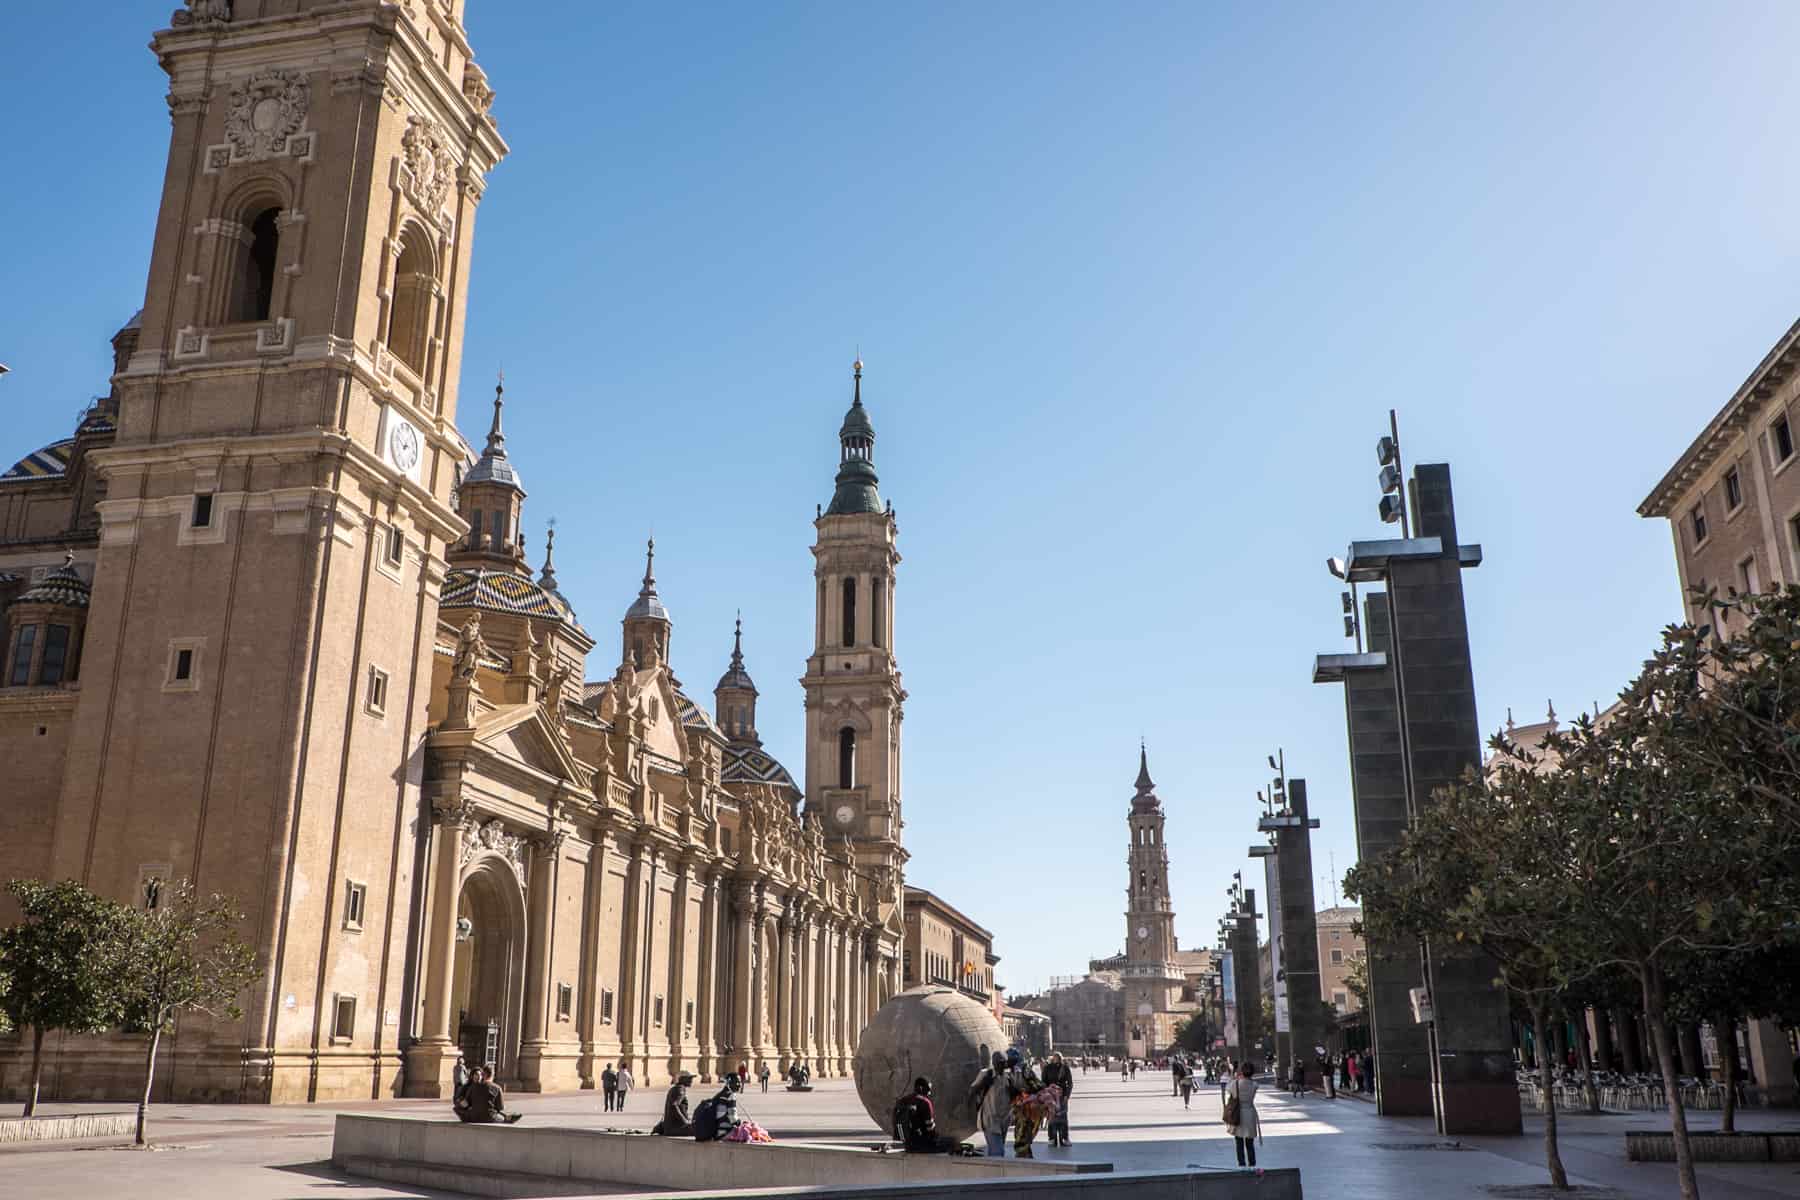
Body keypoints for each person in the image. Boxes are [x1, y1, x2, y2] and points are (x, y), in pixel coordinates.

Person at [892, 1076, 958, 1153]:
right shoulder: (925, 1102)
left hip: (907, 1145)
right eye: (928, 1090)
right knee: (951, 1143)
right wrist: (936, 1138)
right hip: (922, 1144)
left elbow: (895, 1121)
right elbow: (930, 1128)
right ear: (921, 1088)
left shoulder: (903, 1100)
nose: (929, 1093)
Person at [969, 1051, 1012, 1157]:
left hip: (1004, 1120)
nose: (1001, 1066)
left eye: (1003, 1063)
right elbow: (972, 1090)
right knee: (997, 1152)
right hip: (990, 1120)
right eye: (998, 1063)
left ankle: (992, 1172)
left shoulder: (1008, 1077)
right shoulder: (986, 1074)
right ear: (993, 1063)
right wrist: (985, 1082)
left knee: (997, 1150)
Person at [1005, 1048, 1045, 1158]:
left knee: (1024, 1132)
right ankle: (1024, 1155)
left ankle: (1024, 1155)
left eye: (1008, 1059)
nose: (1006, 1062)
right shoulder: (1011, 1072)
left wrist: (1024, 1093)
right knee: (1020, 1132)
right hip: (1020, 1108)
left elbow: (1038, 1086)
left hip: (1030, 1108)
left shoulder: (1024, 1070)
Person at [456, 1066, 522, 1124]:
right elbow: (500, 1107)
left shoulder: (473, 1087)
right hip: (489, 1117)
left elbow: (467, 1103)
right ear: (493, 1075)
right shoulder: (497, 1088)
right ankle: (509, 1118)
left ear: (483, 1075)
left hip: (473, 1117)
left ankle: (508, 1117)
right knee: (502, 1118)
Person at [1224, 1061, 1260, 1167]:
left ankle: (1241, 1164)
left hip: (1238, 1114)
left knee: (1239, 1141)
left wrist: (1234, 1077)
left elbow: (1227, 1089)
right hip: (1250, 1113)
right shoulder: (1254, 1085)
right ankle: (1252, 1164)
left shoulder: (1235, 1084)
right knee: (1250, 1142)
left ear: (1241, 1072)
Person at [1040, 1052, 1074, 1147]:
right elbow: (1043, 1082)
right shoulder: (1048, 1068)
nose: (1056, 1059)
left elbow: (1070, 1083)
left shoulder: (1065, 1068)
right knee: (1051, 1117)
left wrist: (1067, 1095)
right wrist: (1046, 1093)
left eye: (1058, 1058)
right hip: (1051, 1096)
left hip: (1062, 1096)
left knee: (1063, 1117)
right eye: (1055, 1058)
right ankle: (1052, 1138)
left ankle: (1064, 1138)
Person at [653, 1072, 695, 1136]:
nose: (691, 1081)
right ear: (682, 1079)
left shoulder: (675, 1088)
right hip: (676, 1128)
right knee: (702, 1129)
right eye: (689, 1078)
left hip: (671, 1128)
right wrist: (685, 1121)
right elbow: (674, 1106)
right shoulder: (680, 1089)